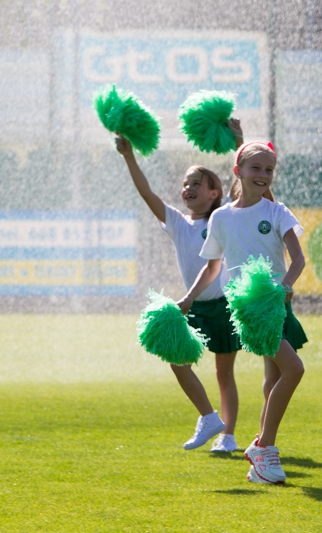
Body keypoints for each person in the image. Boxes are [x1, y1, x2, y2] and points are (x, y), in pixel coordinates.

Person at [177, 141, 307, 485]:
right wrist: (188, 298)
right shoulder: (221, 217)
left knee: (276, 378)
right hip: (248, 307)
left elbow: (298, 259)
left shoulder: (278, 212)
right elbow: (212, 268)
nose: (263, 174)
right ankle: (264, 448)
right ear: (238, 171)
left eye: (269, 169)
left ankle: (261, 457)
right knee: (293, 368)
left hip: (277, 302)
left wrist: (286, 286)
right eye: (256, 168)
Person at [116, 123, 243, 453]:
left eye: (196, 183)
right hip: (194, 306)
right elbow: (147, 194)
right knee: (177, 360)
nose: (188, 188)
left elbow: (241, 185)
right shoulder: (177, 223)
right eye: (185, 184)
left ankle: (228, 436)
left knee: (224, 374)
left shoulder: (222, 217)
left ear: (214, 193)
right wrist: (129, 157)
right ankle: (209, 417)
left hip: (224, 304)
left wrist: (239, 141)